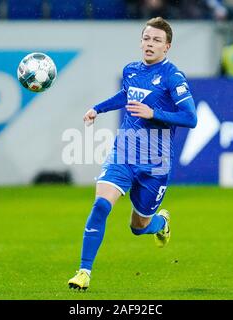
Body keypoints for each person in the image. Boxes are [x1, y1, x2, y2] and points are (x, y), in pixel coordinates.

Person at [68, 17, 198, 290]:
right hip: (124, 152)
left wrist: (154, 113)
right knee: (101, 205)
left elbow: (190, 118)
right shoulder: (131, 70)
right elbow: (125, 96)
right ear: (141, 41)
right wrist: (98, 109)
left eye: (157, 40)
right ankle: (83, 272)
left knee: (138, 226)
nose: (150, 44)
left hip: (156, 163)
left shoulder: (173, 76)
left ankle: (161, 222)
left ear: (167, 47)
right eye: (147, 38)